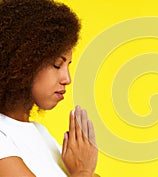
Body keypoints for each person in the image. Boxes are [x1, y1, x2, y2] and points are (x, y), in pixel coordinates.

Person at [0, 0, 99, 176]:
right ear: (24, 62)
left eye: (68, 65)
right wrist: (83, 169)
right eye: (56, 65)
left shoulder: (41, 134)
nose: (67, 79)